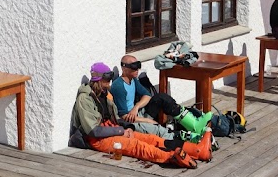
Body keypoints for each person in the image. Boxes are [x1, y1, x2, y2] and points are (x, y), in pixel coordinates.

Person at [69, 62, 212, 168]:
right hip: (96, 138)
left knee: (152, 139)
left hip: (112, 129)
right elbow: (93, 130)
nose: (108, 84)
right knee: (137, 145)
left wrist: (128, 127)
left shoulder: (104, 94)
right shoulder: (85, 98)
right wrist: (121, 131)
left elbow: (116, 118)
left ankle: (198, 150)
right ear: (98, 80)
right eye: (106, 81)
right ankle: (170, 157)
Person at [110, 55, 208, 141]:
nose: (137, 70)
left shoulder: (133, 80)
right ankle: (187, 138)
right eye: (133, 67)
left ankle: (193, 124)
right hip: (131, 121)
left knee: (161, 98)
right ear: (124, 68)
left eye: (138, 66)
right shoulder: (119, 87)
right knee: (157, 128)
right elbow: (124, 117)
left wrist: (136, 107)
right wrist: (148, 121)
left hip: (138, 113)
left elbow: (147, 95)